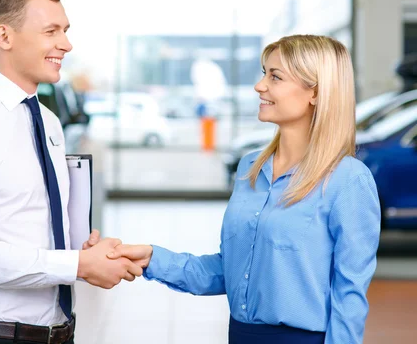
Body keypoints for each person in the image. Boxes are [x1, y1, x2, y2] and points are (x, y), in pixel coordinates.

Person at [104, 35, 381, 343]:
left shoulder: (349, 180)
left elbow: (350, 295)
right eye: (264, 73)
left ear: (315, 91)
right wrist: (152, 258)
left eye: (275, 76)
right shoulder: (250, 168)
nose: (259, 86)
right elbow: (230, 269)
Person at [0, 0, 142, 344]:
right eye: (51, 31)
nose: (67, 44)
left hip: (60, 332)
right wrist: (76, 265)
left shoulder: (50, 122)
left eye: (66, 30)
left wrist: (81, 252)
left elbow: (35, 224)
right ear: (4, 35)